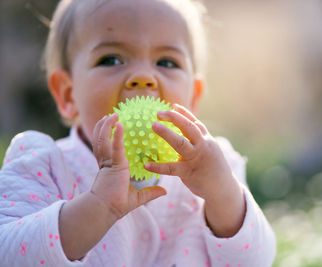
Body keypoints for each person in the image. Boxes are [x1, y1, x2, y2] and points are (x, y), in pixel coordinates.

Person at [0, 0, 276, 266]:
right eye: (111, 59)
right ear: (68, 94)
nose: (144, 76)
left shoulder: (216, 170)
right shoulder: (43, 166)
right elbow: (8, 254)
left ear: (193, 97)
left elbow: (257, 261)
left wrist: (222, 194)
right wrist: (98, 207)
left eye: (167, 62)